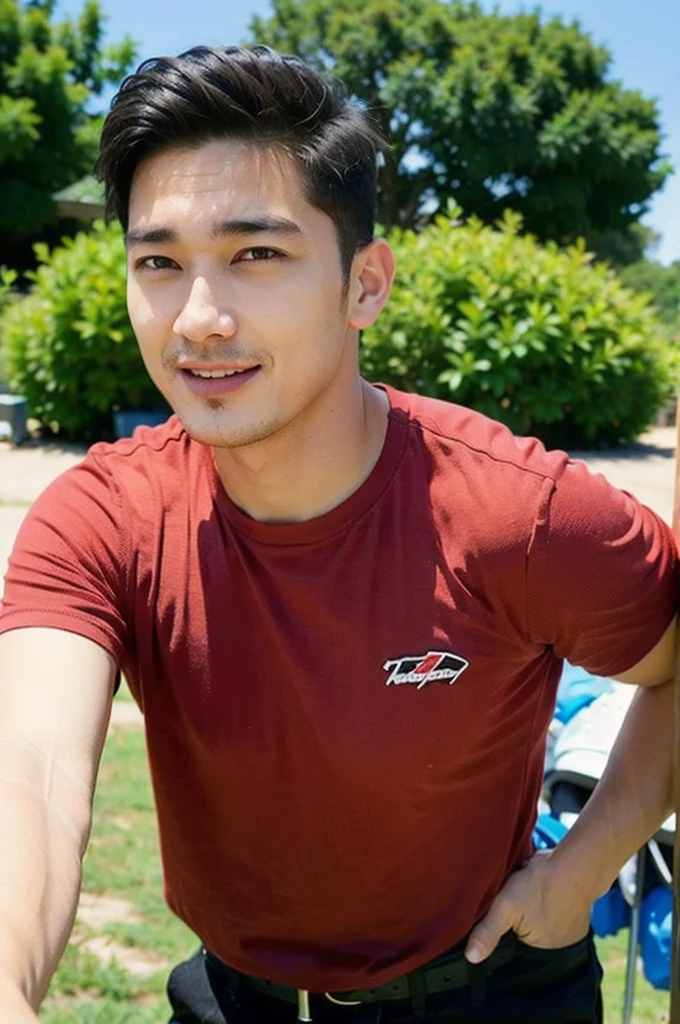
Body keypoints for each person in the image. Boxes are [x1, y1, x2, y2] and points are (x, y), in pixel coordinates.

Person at [0, 44, 676, 1024]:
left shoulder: (515, 512)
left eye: (255, 255)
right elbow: (35, 771)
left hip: (489, 995)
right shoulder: (104, 516)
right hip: (235, 1000)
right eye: (159, 261)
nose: (197, 318)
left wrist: (581, 868)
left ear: (364, 284)